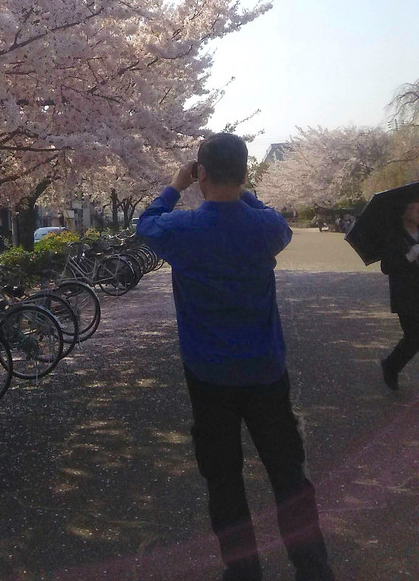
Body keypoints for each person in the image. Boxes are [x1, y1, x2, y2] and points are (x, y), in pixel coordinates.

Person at [136, 133, 334, 581]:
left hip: (208, 374)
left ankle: (243, 570)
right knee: (288, 473)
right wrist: (244, 191)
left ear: (201, 173)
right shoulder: (267, 228)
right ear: (245, 174)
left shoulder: (181, 230)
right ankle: (313, 567)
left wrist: (176, 185)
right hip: (266, 369)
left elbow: (145, 224)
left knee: (224, 479)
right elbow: (269, 215)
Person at [379, 195, 419, 390]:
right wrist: (410, 256)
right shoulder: (394, 237)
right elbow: (386, 267)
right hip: (406, 296)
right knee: (415, 336)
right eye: (414, 208)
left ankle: (391, 365)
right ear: (403, 213)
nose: (418, 211)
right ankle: (391, 365)